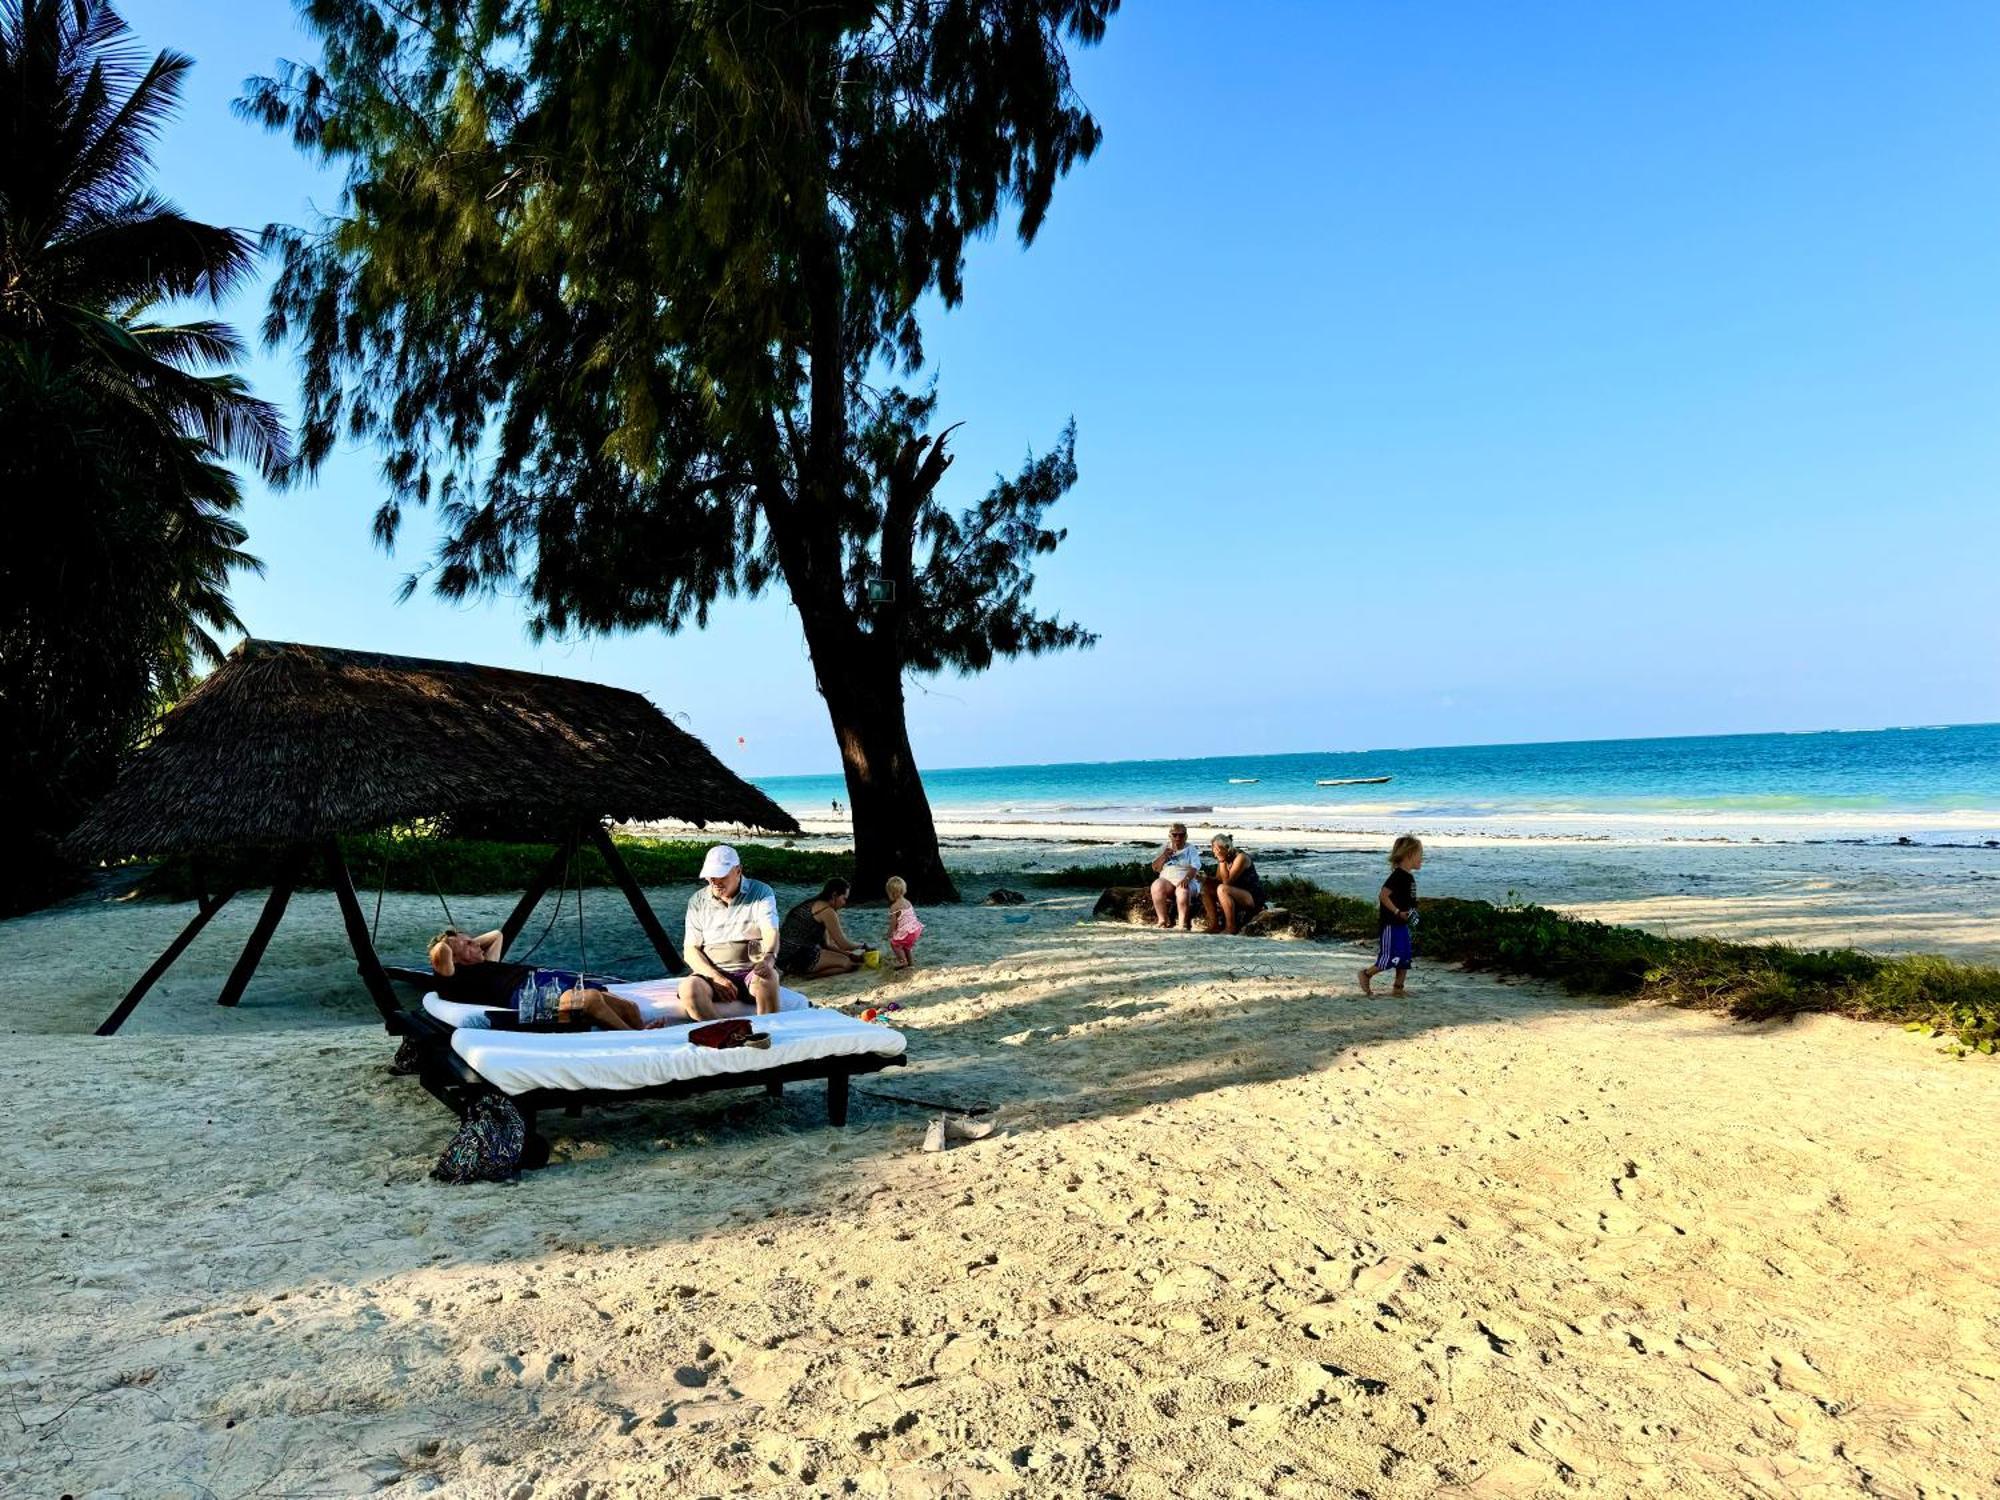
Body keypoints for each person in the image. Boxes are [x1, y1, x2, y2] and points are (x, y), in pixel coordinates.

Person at [428, 927, 660, 1030]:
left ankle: (642, 1033)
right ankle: (633, 1038)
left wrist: (464, 943)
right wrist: (449, 941)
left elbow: (496, 935)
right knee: (589, 999)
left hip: (545, 980)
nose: (477, 943)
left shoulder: (487, 963)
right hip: (522, 994)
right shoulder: (454, 976)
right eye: (469, 944)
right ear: (455, 958)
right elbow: (441, 953)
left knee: (629, 1007)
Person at [678, 845, 783, 1018]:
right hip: (712, 972)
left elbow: (770, 931)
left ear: (738, 871)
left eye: (721, 875)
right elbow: (690, 950)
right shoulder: (697, 901)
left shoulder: (761, 892)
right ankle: (722, 1032)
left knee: (768, 978)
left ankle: (768, 1032)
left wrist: (769, 958)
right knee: (689, 989)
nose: (715, 881)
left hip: (752, 970)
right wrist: (715, 977)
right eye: (711, 876)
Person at [1358, 835, 1423, 996]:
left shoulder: (1408, 877)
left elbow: (1407, 899)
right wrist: (1397, 912)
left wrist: (1412, 912)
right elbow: (1383, 895)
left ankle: (1398, 987)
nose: (1422, 858)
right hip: (1391, 924)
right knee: (1390, 956)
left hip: (1402, 924)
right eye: (1420, 854)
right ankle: (1366, 974)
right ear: (1409, 855)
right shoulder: (1398, 875)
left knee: (1405, 957)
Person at [777, 878, 870, 977]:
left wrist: (850, 955)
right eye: (844, 898)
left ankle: (804, 972)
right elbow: (843, 944)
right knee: (848, 964)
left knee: (847, 959)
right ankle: (808, 974)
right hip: (799, 955)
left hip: (782, 957)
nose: (844, 903)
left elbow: (827, 944)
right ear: (834, 895)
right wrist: (863, 946)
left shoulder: (812, 904)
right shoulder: (826, 910)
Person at [1201, 834, 1266, 935]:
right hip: (1235, 892)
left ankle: (1231, 927)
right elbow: (1219, 879)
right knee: (1206, 888)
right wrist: (1205, 879)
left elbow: (1227, 882)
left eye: (1217, 850)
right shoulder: (1224, 857)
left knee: (1222, 889)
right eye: (1214, 851)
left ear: (1226, 848)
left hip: (1251, 896)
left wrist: (1221, 861)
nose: (1215, 854)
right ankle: (1214, 925)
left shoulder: (1241, 858)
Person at [1149, 822, 1203, 931]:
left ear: (1186, 836)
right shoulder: (1165, 847)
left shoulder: (1191, 849)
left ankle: (1182, 923)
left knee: (1182, 891)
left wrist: (1187, 878)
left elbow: (1195, 867)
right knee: (1156, 886)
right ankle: (1162, 920)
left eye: (1181, 835)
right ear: (1170, 836)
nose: (1178, 837)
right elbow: (1155, 868)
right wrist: (1164, 856)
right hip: (1167, 881)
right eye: (1175, 835)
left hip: (1186, 880)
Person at [885, 875, 925, 967]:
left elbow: (893, 924)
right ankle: (911, 964)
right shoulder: (908, 902)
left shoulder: (894, 907)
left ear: (892, 893)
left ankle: (903, 961)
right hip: (915, 930)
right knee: (907, 947)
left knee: (895, 943)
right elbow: (910, 917)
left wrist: (889, 934)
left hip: (907, 932)